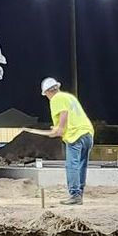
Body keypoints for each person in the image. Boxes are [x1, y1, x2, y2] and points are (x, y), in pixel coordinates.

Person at [41, 77, 94, 205]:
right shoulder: (68, 97)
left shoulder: (56, 98)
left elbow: (64, 112)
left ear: (48, 92)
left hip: (75, 135)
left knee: (72, 165)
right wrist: (57, 127)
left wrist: (60, 128)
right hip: (87, 133)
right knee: (81, 165)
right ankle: (79, 193)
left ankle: (75, 194)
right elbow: (71, 114)